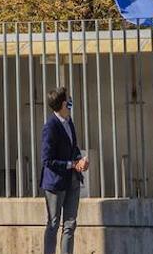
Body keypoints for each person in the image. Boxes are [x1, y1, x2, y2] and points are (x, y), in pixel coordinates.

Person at [41, 86, 87, 254]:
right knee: (53, 223)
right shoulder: (50, 127)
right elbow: (47, 160)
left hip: (72, 180)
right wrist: (71, 164)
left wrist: (80, 160)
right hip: (55, 183)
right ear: (62, 104)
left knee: (70, 223)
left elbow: (73, 147)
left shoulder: (69, 122)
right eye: (68, 100)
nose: (70, 102)